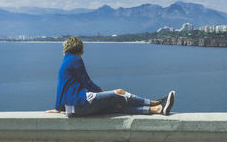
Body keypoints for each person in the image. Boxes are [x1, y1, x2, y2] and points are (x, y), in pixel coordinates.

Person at [45, 36, 175, 117]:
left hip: (73, 110)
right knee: (119, 93)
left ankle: (156, 109)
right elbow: (87, 82)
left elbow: (61, 87)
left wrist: (58, 108)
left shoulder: (65, 62)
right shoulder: (75, 59)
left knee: (116, 107)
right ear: (80, 48)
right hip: (81, 104)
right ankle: (155, 102)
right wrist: (104, 93)